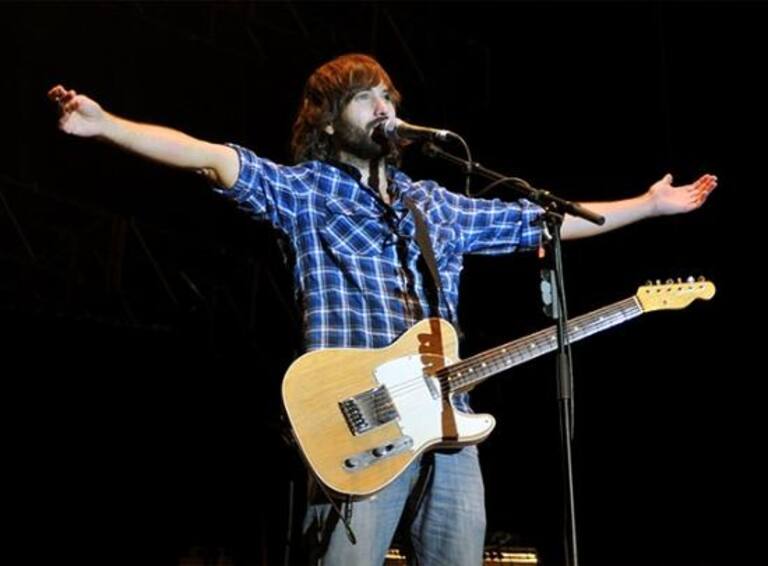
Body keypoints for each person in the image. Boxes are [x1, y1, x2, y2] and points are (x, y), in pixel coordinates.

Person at [48, 53, 716, 566]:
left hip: (447, 431)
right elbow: (211, 159)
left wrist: (649, 205)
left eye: (387, 94)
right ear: (327, 118)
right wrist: (106, 126)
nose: (383, 103)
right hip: (357, 429)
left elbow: (543, 222)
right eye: (364, 95)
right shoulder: (309, 192)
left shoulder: (434, 205)